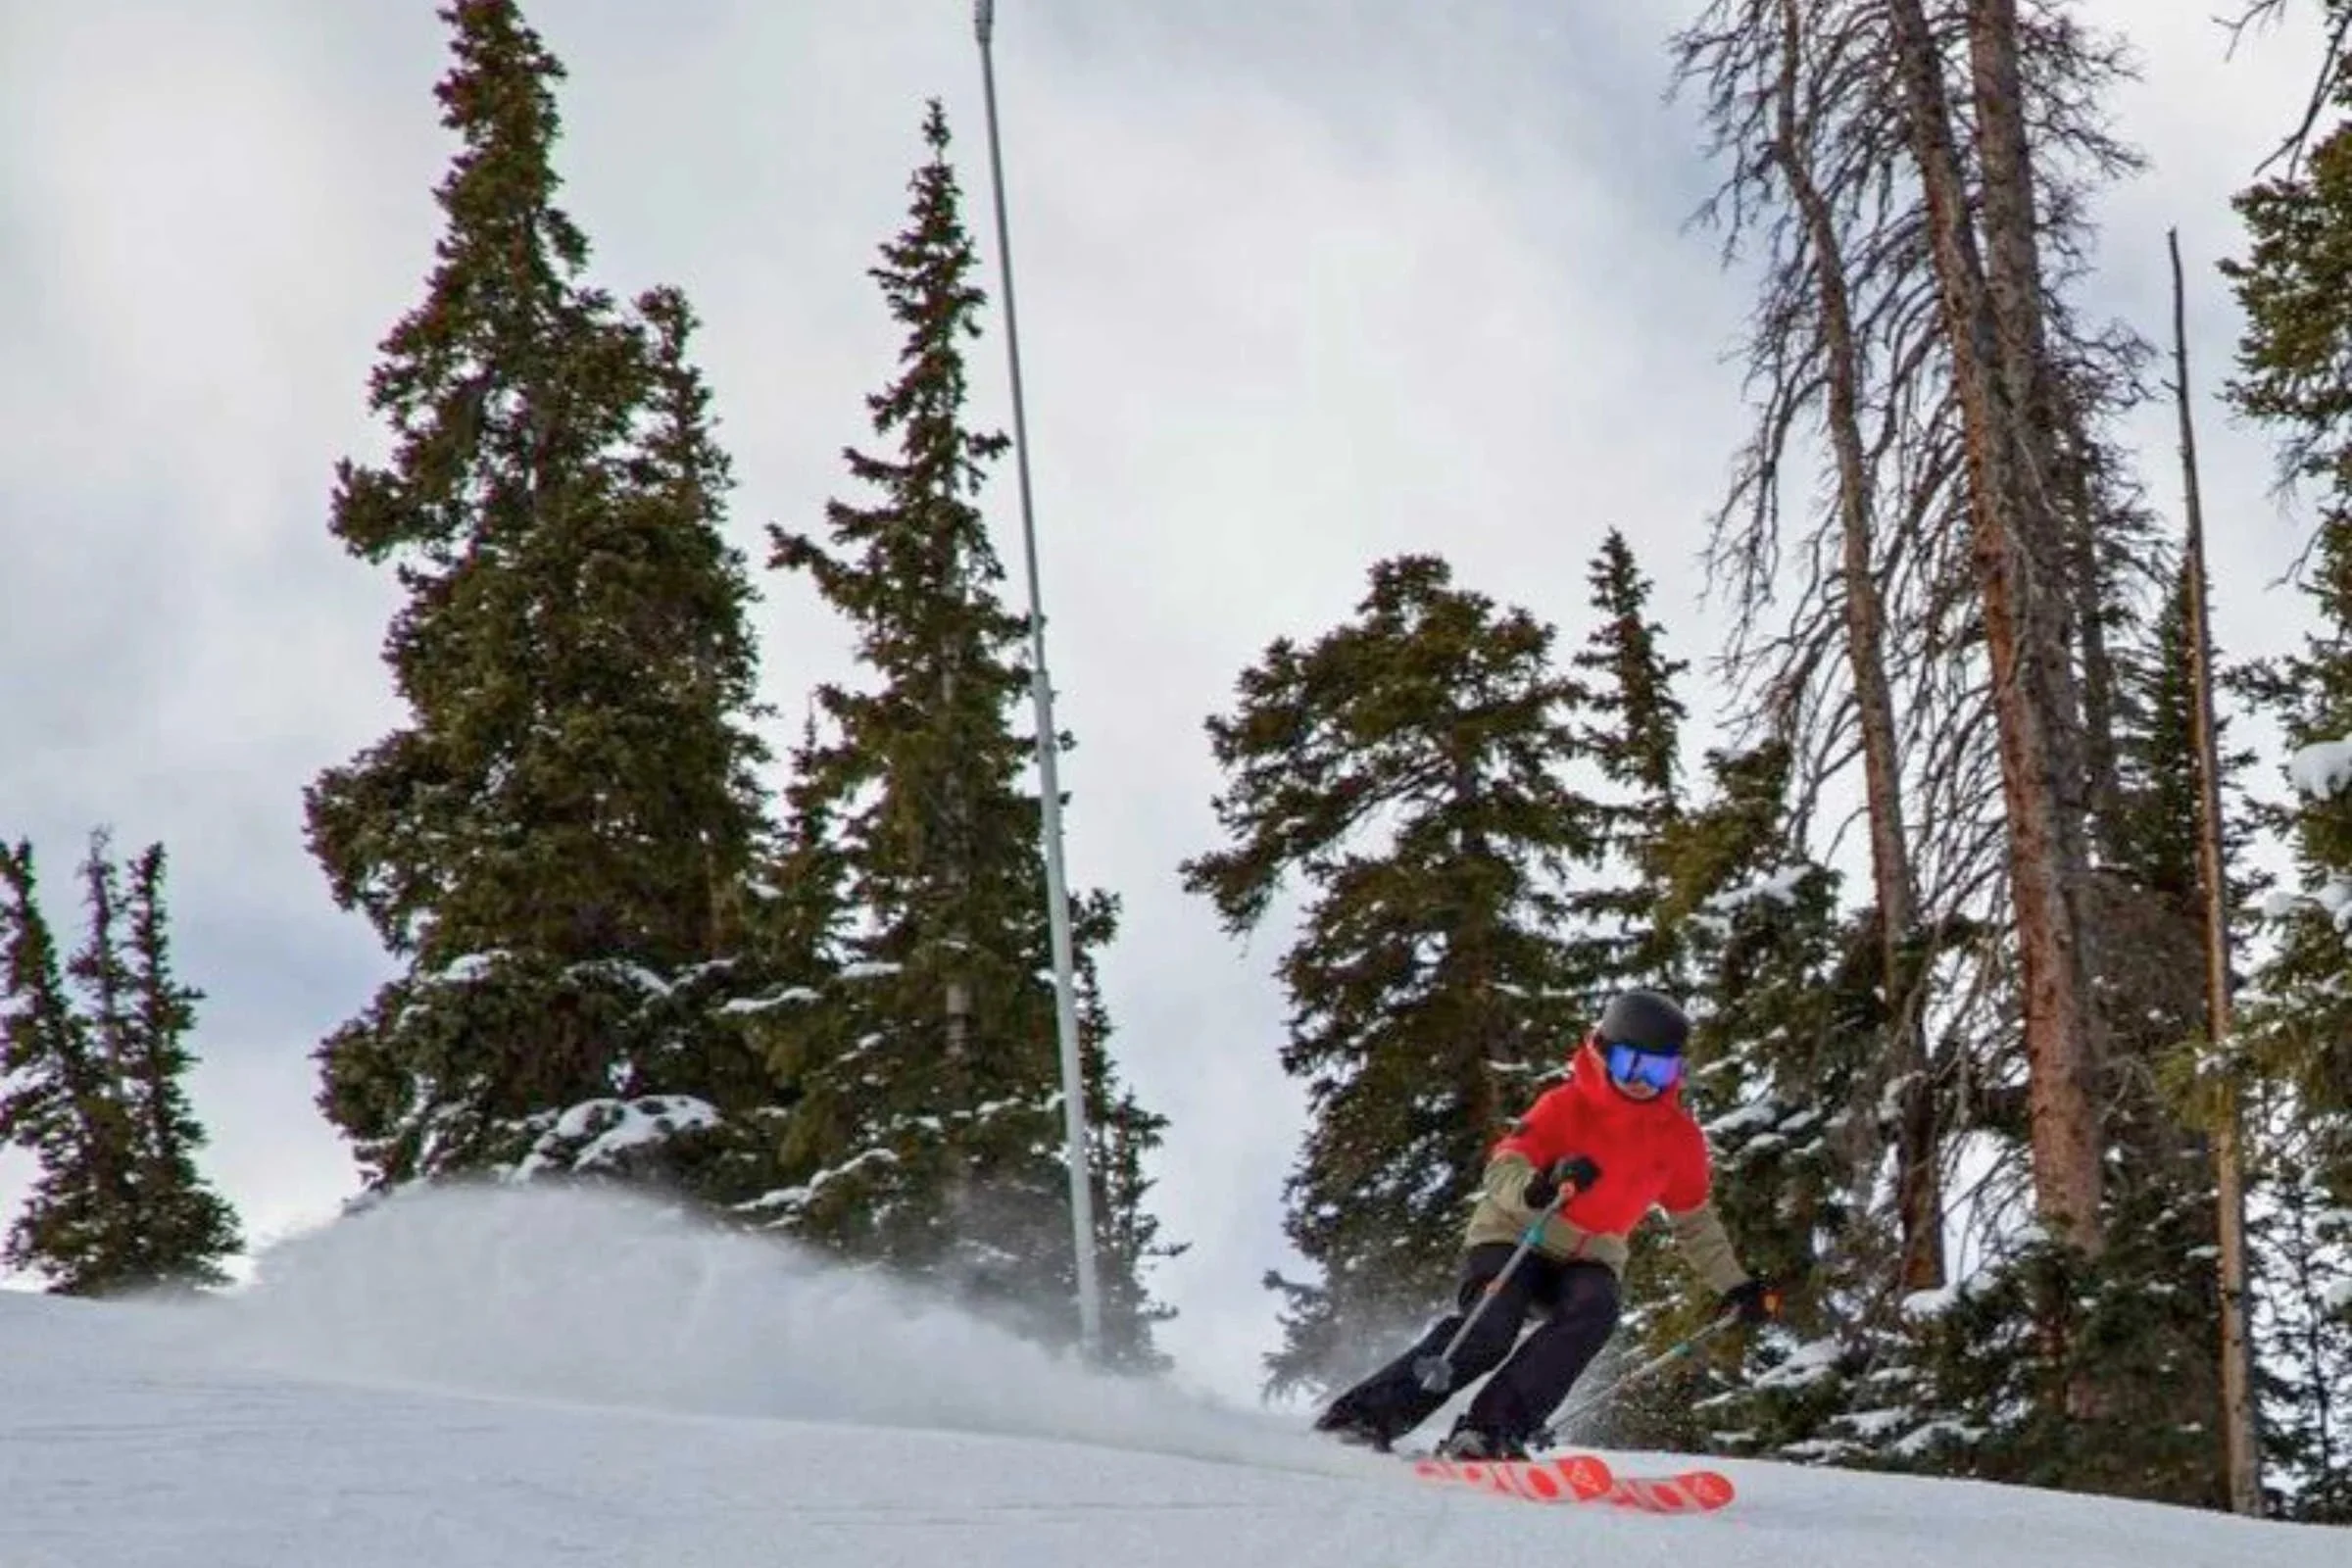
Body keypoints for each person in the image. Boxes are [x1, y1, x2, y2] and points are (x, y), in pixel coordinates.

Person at [1313, 987, 1782, 1460]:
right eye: (1630, 1065)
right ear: (1603, 1052)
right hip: (1516, 1235)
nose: (1642, 1081)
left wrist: (1736, 1286)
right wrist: (1538, 1186)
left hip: (1591, 1256)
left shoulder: (1679, 1139)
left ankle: (1491, 1430)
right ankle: (1366, 1415)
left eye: (1657, 1070)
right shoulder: (1565, 1105)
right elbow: (1503, 1168)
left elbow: (1695, 1222)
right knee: (1491, 1328)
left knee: (1594, 1310)